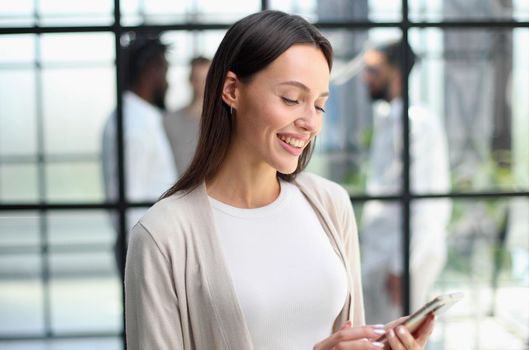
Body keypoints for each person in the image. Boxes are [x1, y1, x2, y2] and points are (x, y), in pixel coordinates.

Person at [124, 11, 435, 350]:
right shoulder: (162, 236)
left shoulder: (331, 204)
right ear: (231, 90)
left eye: (319, 105)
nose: (310, 123)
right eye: (291, 99)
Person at [360, 40, 452, 324]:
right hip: (383, 253)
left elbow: (427, 200)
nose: (366, 78)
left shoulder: (416, 122)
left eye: (374, 70)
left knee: (398, 336)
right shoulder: (389, 118)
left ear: (396, 73)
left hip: (401, 257)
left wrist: (403, 268)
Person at [101, 34, 178, 273]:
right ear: (151, 70)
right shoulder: (133, 124)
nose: (168, 82)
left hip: (148, 246)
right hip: (143, 249)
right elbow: (127, 197)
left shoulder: (140, 118)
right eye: (165, 71)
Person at [164, 56, 211, 173]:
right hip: (179, 186)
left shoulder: (225, 122)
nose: (201, 85)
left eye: (206, 79)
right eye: (197, 79)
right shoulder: (170, 121)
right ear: (190, 80)